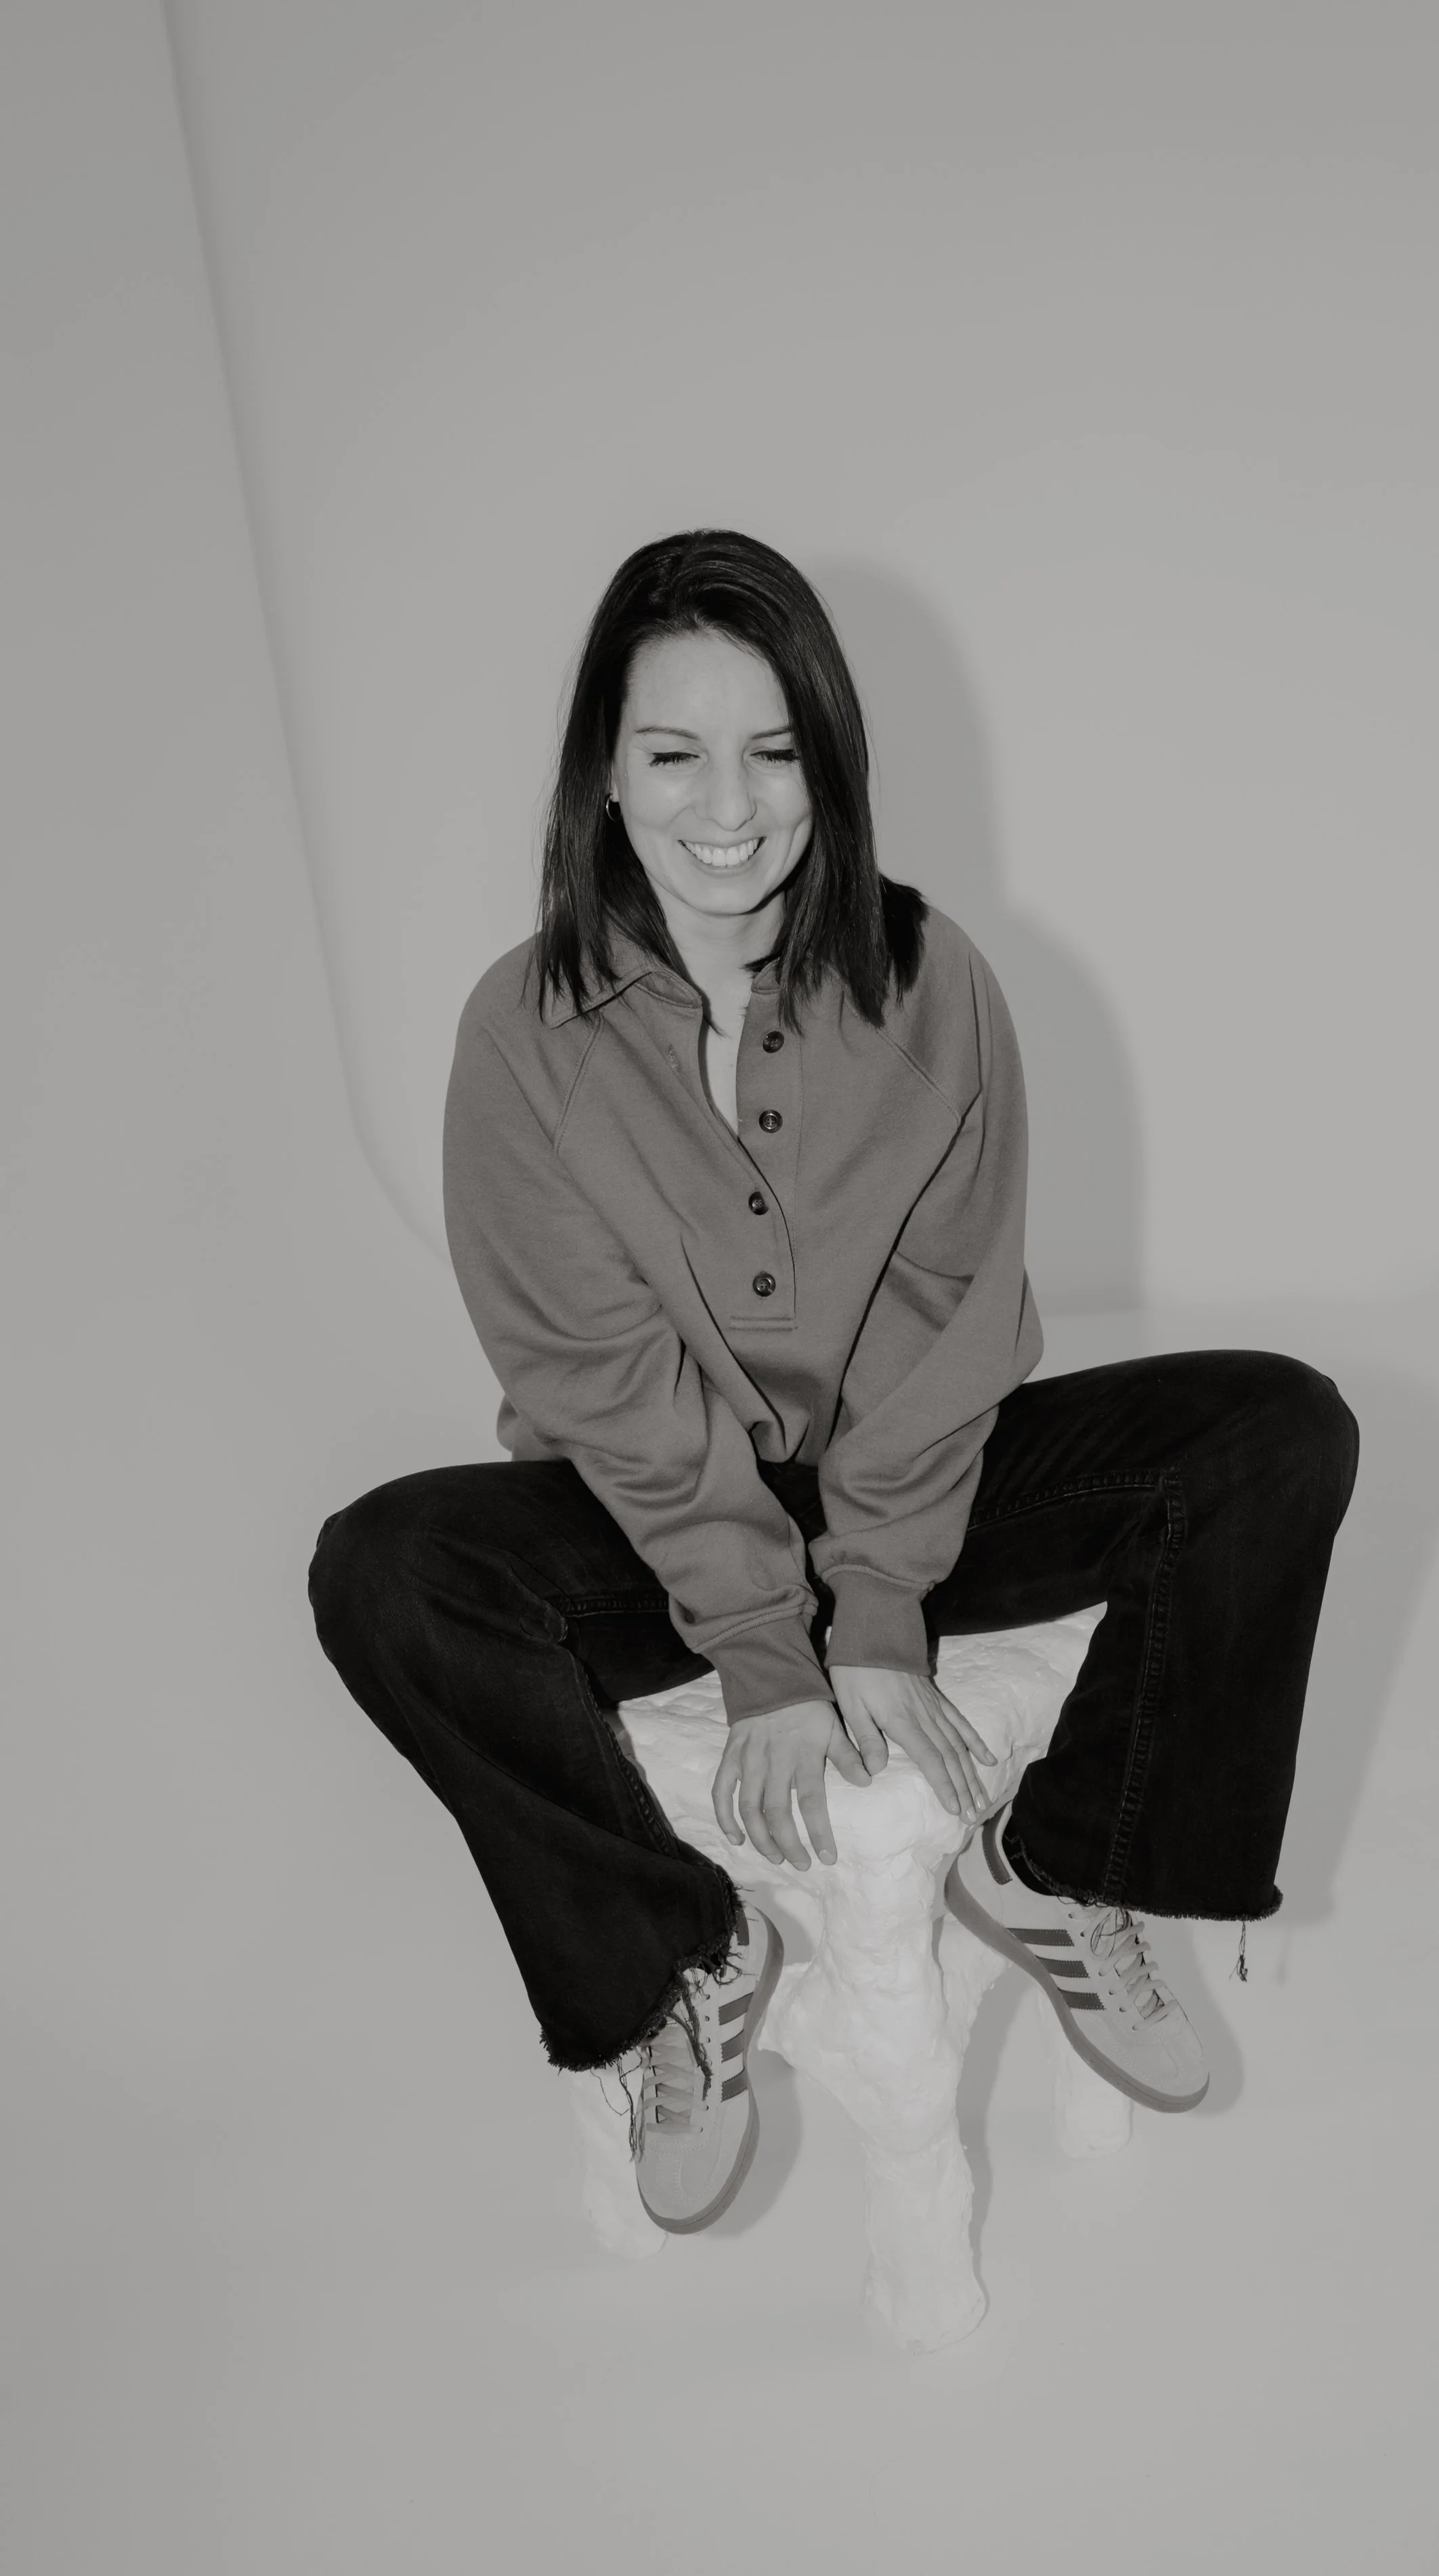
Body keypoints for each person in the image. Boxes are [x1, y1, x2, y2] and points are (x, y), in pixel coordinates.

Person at [308, 529, 1359, 2235]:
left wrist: (874, 1609)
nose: (726, 805)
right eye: (672, 753)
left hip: (908, 1476)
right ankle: (676, 1964)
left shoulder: (934, 985)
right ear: (606, 771)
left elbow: (949, 1327)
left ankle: (1062, 1861)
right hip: (644, 1520)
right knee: (382, 1568)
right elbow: (599, 1380)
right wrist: (760, 1647)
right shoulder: (521, 1034)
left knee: (1274, 1429)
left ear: (829, 761)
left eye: (772, 749)